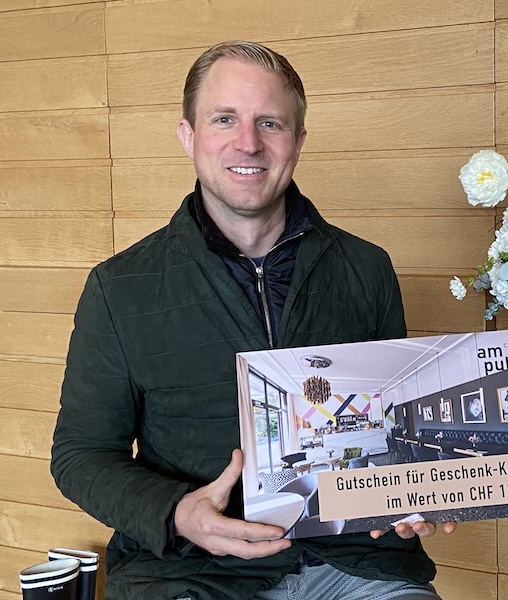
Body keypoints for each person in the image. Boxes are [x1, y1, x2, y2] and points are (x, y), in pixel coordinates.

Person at [51, 40, 454, 600]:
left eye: (270, 122)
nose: (249, 143)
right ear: (189, 137)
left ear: (298, 141)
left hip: (358, 564)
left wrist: (415, 493)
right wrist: (179, 514)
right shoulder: (119, 288)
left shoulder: (367, 268)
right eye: (225, 119)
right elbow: (80, 455)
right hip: (194, 574)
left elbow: (392, 430)